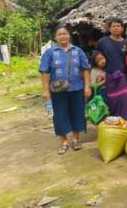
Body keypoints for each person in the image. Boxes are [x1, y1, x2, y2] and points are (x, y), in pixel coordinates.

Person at [40, 24, 91, 155]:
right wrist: (45, 90)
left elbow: (85, 69)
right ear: (55, 37)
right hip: (58, 90)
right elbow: (44, 72)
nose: (63, 36)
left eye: (65, 33)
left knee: (78, 114)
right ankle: (64, 142)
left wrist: (87, 86)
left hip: (77, 88)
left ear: (69, 35)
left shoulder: (78, 51)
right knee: (60, 115)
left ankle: (75, 139)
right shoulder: (49, 52)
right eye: (59, 34)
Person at [96, 18, 127, 120]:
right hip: (110, 76)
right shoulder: (103, 42)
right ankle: (113, 123)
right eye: (113, 26)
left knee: (124, 101)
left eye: (118, 26)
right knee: (112, 100)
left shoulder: (126, 43)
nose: (116, 28)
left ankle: (125, 122)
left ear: (122, 28)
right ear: (109, 28)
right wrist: (99, 59)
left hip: (124, 77)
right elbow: (95, 53)